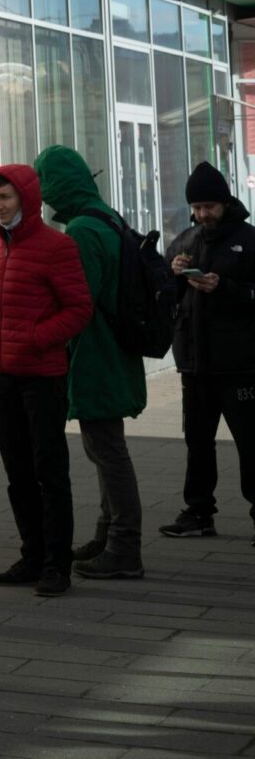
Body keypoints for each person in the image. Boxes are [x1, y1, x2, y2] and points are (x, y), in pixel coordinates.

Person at [0, 164, 92, 597]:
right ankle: (32, 554)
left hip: (42, 376)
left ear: (27, 197)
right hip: (1, 374)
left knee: (49, 470)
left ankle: (57, 563)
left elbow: (79, 309)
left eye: (6, 197)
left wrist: (36, 339)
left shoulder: (57, 247)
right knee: (17, 470)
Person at [35, 145, 146, 581]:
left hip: (96, 353)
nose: (43, 199)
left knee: (107, 449)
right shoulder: (108, 217)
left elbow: (77, 300)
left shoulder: (83, 229)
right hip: (115, 349)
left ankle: (124, 546)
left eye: (46, 186)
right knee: (103, 447)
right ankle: (107, 534)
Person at [161, 162, 255, 542]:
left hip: (241, 365)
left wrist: (226, 288)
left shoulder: (249, 241)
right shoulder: (186, 240)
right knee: (197, 443)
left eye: (208, 207)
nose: (202, 215)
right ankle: (198, 512)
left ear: (224, 201)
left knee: (252, 443)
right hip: (195, 364)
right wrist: (174, 272)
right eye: (196, 208)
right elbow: (167, 293)